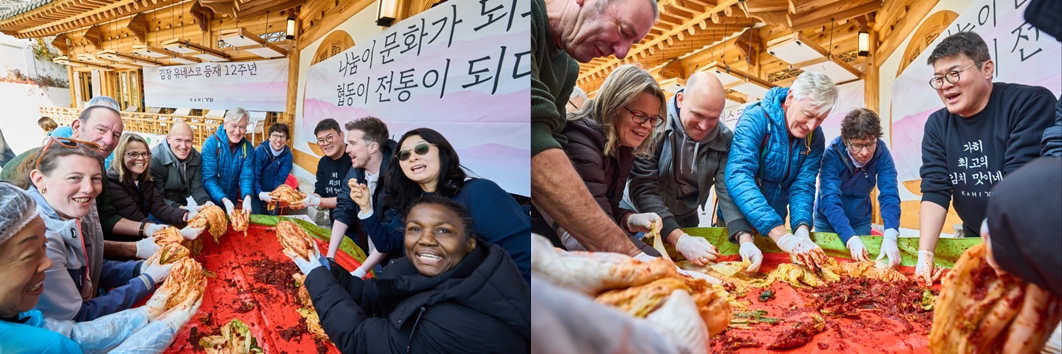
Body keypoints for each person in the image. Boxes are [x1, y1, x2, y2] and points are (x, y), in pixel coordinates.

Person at [287, 196, 530, 353]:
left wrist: (316, 275)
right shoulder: (437, 270)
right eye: (415, 228)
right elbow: (370, 293)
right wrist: (328, 271)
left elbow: (361, 339)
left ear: (470, 243)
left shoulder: (455, 323)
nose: (425, 239)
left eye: (443, 230)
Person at [914, 32, 1057, 285]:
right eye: (938, 78)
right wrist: (925, 254)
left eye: (954, 73)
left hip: (1028, 243)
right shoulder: (937, 124)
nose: (946, 84)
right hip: (975, 238)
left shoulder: (1028, 103)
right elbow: (936, 188)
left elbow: (1018, 184)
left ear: (987, 68)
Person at [0, 182, 201, 353]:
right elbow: (73, 323)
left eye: (44, 246)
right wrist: (156, 331)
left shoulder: (20, 316)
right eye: (29, 255)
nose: (48, 262)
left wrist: (144, 313)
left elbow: (73, 336)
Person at [531, 0, 659, 259]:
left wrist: (628, 220)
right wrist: (636, 257)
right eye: (623, 30)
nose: (622, 53)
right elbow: (532, 133)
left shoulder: (567, 68)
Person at [352, 128, 532, 283]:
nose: (412, 157)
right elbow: (386, 244)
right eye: (404, 155)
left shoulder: (478, 192)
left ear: (442, 152)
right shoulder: (414, 202)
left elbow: (525, 261)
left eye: (421, 149)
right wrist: (366, 208)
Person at [1, 96, 170, 256]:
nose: (109, 140)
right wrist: (134, 248)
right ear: (77, 126)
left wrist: (147, 230)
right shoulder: (32, 165)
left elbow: (101, 221)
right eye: (101, 129)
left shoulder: (99, 167)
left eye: (116, 134)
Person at [26, 139, 172, 321]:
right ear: (39, 179)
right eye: (74, 177)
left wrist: (138, 268)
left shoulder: (67, 213)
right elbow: (78, 317)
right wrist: (145, 281)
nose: (88, 189)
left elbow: (89, 268)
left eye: (95, 179)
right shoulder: (40, 239)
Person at [628, 71, 753, 266]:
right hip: (643, 216)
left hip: (687, 215)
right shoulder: (653, 125)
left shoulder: (725, 138)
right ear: (680, 100)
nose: (704, 126)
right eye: (698, 115)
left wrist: (744, 238)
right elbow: (643, 189)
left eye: (713, 118)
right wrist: (680, 240)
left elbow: (726, 190)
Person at [725, 71, 838, 273]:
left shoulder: (814, 138)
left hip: (776, 224)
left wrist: (801, 231)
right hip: (738, 224)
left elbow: (803, 185)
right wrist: (781, 235)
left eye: (820, 119)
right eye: (808, 115)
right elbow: (739, 176)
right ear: (791, 97)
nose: (812, 126)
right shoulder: (755, 119)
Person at [553, 64, 665, 256]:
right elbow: (593, 226)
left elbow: (605, 208)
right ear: (614, 105)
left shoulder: (622, 149)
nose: (647, 126)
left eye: (654, 119)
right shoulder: (580, 141)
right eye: (639, 116)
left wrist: (629, 219)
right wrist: (656, 261)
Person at [814, 108, 902, 266]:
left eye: (870, 144)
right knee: (826, 266)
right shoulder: (832, 154)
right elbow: (829, 199)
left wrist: (890, 234)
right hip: (828, 219)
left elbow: (889, 193)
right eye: (857, 145)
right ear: (846, 140)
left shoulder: (881, 152)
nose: (864, 152)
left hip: (860, 219)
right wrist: (850, 238)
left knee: (862, 265)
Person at [324, 117, 396, 274]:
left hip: (391, 260)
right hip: (366, 249)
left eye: (353, 144)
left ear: (373, 147)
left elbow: (391, 233)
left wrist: (361, 271)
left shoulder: (397, 177)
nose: (347, 149)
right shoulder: (356, 170)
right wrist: (330, 257)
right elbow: (344, 208)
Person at [107, 134, 203, 237]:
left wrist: (187, 215)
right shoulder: (114, 183)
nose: (140, 158)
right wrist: (175, 234)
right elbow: (136, 219)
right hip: (124, 241)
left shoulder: (144, 180)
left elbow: (159, 207)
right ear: (121, 155)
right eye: (133, 154)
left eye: (144, 154)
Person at [201, 107, 254, 215]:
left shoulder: (247, 147)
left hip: (232, 201)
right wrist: (224, 199)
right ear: (225, 124)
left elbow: (246, 176)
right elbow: (209, 178)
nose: (237, 132)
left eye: (242, 127)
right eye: (233, 126)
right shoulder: (211, 143)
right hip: (211, 203)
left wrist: (247, 197)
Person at [150, 121, 211, 208]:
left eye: (188, 141)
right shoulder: (155, 159)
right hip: (158, 209)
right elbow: (157, 197)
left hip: (181, 204)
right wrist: (182, 209)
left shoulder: (197, 157)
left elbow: (196, 187)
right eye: (178, 140)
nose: (183, 146)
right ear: (169, 139)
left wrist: (206, 202)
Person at [309, 118, 351, 221]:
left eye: (329, 137)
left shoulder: (353, 158)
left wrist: (316, 201)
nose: (326, 143)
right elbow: (321, 189)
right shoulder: (323, 162)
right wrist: (310, 198)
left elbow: (349, 199)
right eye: (321, 140)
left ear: (341, 135)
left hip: (356, 224)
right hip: (335, 218)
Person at [253, 123, 293, 215]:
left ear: (286, 139)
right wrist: (260, 193)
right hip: (256, 190)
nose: (278, 140)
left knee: (272, 217)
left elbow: (280, 178)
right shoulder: (259, 151)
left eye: (282, 136)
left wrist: (274, 194)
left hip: (274, 192)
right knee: (255, 217)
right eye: (275, 135)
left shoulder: (288, 156)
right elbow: (255, 176)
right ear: (269, 137)